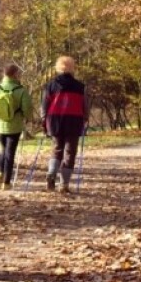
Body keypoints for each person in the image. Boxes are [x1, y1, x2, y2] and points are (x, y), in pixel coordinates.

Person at [41, 56, 89, 193]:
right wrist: (85, 118)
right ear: (72, 67)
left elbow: (44, 105)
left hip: (55, 120)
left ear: (58, 67)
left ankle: (51, 172)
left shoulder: (50, 85)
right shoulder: (80, 86)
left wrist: (44, 120)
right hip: (74, 120)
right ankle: (64, 184)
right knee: (70, 152)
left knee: (56, 149)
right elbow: (85, 105)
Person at [0, 64, 32, 190]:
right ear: (15, 74)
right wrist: (28, 118)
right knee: (10, 152)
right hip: (15, 126)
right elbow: (27, 108)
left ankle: (1, 171)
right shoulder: (21, 90)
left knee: (4, 150)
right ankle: (6, 182)